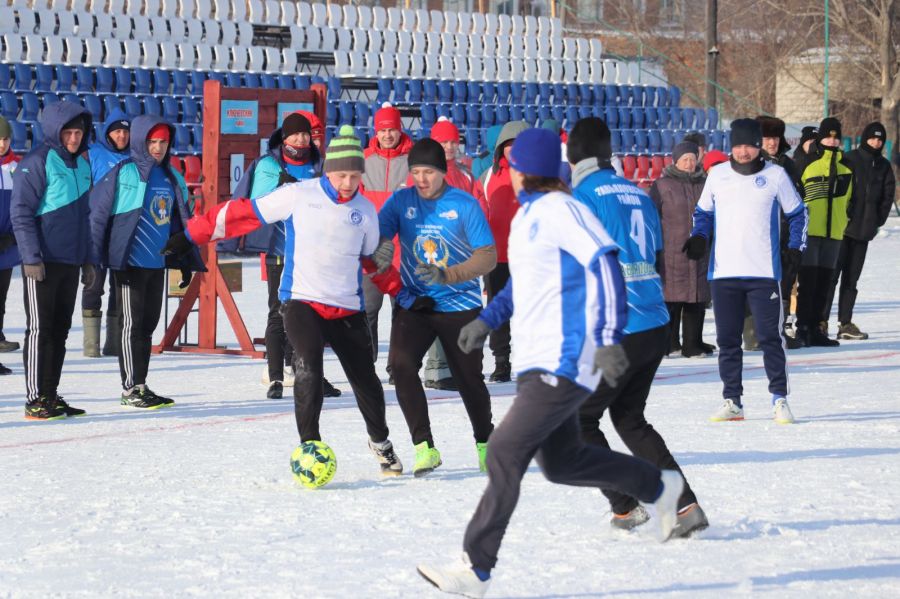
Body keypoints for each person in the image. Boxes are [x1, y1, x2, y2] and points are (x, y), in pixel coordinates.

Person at [417, 129, 684, 598]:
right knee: (563, 462)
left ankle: (475, 569)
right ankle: (657, 486)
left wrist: (606, 337)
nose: (511, 172)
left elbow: (605, 264)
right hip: (537, 358)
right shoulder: (529, 218)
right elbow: (521, 284)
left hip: (566, 358)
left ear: (526, 170)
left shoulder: (563, 210)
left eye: (515, 165)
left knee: (502, 451)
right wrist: (487, 320)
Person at [166, 125, 405, 476]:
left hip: (346, 307)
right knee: (308, 365)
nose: (347, 183)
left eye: (355, 176)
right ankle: (310, 444)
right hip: (301, 300)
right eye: (341, 174)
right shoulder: (298, 194)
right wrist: (189, 235)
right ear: (328, 170)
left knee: (365, 380)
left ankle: (380, 442)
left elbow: (373, 262)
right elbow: (241, 213)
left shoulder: (366, 211)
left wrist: (403, 292)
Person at [568, 118, 708, 537]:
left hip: (620, 324)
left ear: (576, 158)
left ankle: (625, 505)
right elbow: (657, 254)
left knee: (578, 422)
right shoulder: (637, 191)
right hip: (654, 319)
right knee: (629, 418)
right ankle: (685, 507)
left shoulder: (581, 198)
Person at [374, 138, 496, 476]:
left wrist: (448, 275)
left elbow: (488, 256)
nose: (422, 179)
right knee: (400, 366)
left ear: (442, 172)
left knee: (468, 377)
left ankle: (487, 443)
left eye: (428, 171)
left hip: (460, 303)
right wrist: (382, 248)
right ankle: (424, 447)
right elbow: (379, 233)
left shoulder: (464, 204)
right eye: (415, 171)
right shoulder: (402, 201)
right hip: (417, 302)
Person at [684, 119, 807, 424]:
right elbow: (703, 213)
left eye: (749, 145)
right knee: (728, 340)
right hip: (723, 273)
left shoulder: (775, 175)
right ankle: (732, 400)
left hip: (763, 271)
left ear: (758, 145)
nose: (742, 151)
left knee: (770, 338)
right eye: (737, 145)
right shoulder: (717, 175)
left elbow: (798, 213)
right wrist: (700, 237)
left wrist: (795, 249)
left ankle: (779, 399)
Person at [90, 116, 204, 408]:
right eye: (152, 142)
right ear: (141, 141)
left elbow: (181, 224)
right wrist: (94, 261)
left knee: (148, 326)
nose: (157, 147)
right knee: (131, 324)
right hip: (130, 263)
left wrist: (185, 260)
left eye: (162, 142)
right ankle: (130, 389)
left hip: (158, 265)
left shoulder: (172, 177)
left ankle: (141, 384)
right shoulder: (122, 173)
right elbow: (98, 218)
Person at [228, 112, 340, 400]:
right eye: (295, 135)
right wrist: (281, 186)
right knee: (279, 314)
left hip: (312, 253)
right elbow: (255, 203)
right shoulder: (268, 164)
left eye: (305, 134)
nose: (301, 139)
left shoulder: (318, 163)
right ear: (284, 137)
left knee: (312, 318)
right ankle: (275, 377)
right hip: (280, 251)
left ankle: (311, 375)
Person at [11, 101, 94, 420]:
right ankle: (34, 398)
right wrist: (31, 257)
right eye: (68, 132)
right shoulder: (37, 162)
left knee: (60, 330)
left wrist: (88, 259)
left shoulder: (82, 166)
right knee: (40, 329)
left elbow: (86, 217)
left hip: (70, 262)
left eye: (78, 132)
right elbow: (20, 213)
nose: (74, 138)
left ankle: (50, 393)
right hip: (42, 262)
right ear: (55, 131)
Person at [419, 117, 486, 391]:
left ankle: (456, 366)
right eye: (443, 141)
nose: (448, 146)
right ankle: (436, 369)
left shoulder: (466, 174)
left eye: (452, 141)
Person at [823, 122, 895, 340]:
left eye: (880, 139)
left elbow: (887, 195)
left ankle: (845, 323)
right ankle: (821, 320)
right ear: (865, 138)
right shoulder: (850, 158)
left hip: (863, 233)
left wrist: (876, 221)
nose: (876, 142)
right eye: (873, 138)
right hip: (843, 231)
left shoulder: (883, 166)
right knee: (832, 277)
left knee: (851, 281)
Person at [649, 141, 714, 358]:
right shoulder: (662, 185)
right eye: (685, 159)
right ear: (675, 161)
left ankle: (693, 343)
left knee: (696, 298)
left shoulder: (706, 184)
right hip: (671, 252)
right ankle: (670, 343)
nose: (689, 163)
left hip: (700, 250)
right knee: (672, 299)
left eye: (692, 159)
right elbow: (652, 218)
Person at [360, 103, 413, 364]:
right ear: (375, 132)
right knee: (368, 311)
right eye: (383, 130)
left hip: (403, 253)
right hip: (370, 251)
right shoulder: (364, 161)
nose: (388, 135)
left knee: (401, 314)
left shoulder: (414, 161)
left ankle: (398, 366)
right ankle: (366, 367)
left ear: (399, 129)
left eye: (392, 129)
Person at [793, 117, 853, 347]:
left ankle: (817, 328)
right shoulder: (807, 164)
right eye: (828, 135)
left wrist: (847, 219)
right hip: (811, 232)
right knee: (808, 283)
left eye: (836, 136)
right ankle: (803, 328)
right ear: (820, 138)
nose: (832, 140)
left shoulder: (847, 167)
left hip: (835, 234)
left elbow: (852, 200)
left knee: (826, 284)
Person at [478, 121, 528, 383]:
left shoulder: (540, 175)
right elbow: (477, 214)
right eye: (508, 145)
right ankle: (501, 362)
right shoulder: (487, 177)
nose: (513, 150)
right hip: (497, 257)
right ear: (500, 148)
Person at [83, 110, 131, 358]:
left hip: (123, 229)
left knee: (119, 285)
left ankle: (113, 342)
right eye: (117, 131)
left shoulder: (134, 157)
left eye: (125, 131)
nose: (121, 135)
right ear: (107, 133)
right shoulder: (93, 154)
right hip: (96, 228)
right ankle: (91, 345)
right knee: (94, 284)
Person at [0, 116, 21, 373]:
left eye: (5, 139)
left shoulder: (17, 167)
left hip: (7, 246)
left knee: (1, 299)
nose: (1, 143)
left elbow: (24, 205)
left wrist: (13, 236)